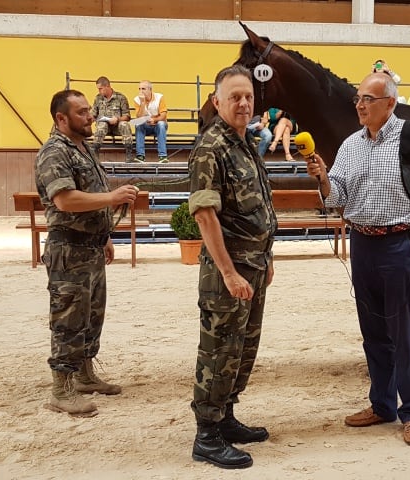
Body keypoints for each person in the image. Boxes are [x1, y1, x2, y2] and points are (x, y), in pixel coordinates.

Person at [306, 72, 410, 446]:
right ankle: (382, 405)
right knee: (373, 332)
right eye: (358, 98)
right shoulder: (351, 144)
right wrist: (322, 178)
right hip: (362, 245)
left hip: (398, 243)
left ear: (390, 103)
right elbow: (336, 195)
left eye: (368, 99)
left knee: (403, 332)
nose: (360, 105)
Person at [187, 65, 278, 469]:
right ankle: (206, 435)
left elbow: (260, 209)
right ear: (217, 101)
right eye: (235, 97)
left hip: (254, 268)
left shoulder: (244, 144)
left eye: (249, 97)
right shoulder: (212, 147)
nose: (243, 103)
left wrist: (267, 258)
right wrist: (228, 272)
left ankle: (225, 417)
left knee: (242, 350)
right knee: (220, 350)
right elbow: (205, 216)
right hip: (229, 273)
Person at [35, 89, 139, 417]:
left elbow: (89, 194)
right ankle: (60, 389)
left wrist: (105, 234)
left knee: (92, 316)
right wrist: (112, 199)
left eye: (88, 110)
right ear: (60, 118)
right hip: (68, 249)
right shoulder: (54, 151)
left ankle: (83, 375)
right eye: (81, 112)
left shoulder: (84, 148)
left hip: (91, 246)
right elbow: (65, 200)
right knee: (68, 319)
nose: (90, 116)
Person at [90, 76, 134, 161]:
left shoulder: (120, 97)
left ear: (107, 86)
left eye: (100, 88)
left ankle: (129, 154)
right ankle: (95, 155)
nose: (99, 91)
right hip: (104, 126)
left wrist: (117, 119)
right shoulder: (98, 98)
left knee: (125, 125)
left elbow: (127, 116)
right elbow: (94, 114)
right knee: (102, 125)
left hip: (117, 126)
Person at [133, 80, 168, 163]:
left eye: (143, 89)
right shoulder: (137, 99)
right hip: (146, 126)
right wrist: (142, 103)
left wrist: (154, 120)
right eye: (139, 89)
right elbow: (139, 117)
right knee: (138, 125)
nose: (141, 91)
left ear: (150, 89)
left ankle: (163, 156)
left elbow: (163, 115)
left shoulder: (159, 97)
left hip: (157, 125)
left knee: (161, 124)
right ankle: (140, 156)